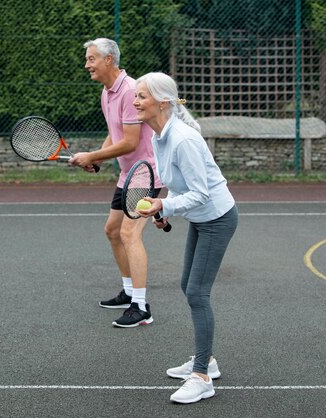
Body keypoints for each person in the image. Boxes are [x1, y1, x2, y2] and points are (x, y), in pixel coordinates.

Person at [132, 72, 238, 404]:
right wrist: (163, 210)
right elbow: (174, 185)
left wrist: (166, 204)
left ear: (163, 103)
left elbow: (202, 194)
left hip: (217, 219)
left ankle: (202, 377)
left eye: (141, 96)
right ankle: (207, 360)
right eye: (135, 96)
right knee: (187, 285)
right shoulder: (158, 135)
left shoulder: (184, 139)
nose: (135, 101)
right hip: (199, 219)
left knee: (196, 292)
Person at [69, 38, 163, 328]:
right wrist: (97, 158)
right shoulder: (106, 93)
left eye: (91, 58)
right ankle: (130, 292)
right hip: (128, 173)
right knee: (112, 230)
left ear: (108, 60)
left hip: (145, 173)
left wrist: (92, 155)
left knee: (129, 233)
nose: (87, 64)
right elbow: (116, 134)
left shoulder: (130, 91)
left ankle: (141, 306)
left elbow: (132, 141)